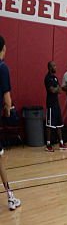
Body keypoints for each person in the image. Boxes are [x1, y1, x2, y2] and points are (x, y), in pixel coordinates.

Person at [0, 37, 18, 210]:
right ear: (3, 48)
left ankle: (11, 196)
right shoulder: (3, 67)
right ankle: (11, 198)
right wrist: (8, 109)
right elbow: (7, 97)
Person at [43, 61, 67, 153]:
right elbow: (52, 90)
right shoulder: (48, 78)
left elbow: (60, 90)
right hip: (50, 104)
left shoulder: (55, 78)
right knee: (49, 125)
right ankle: (48, 144)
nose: (56, 67)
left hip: (56, 104)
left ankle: (61, 143)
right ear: (50, 67)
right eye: (54, 66)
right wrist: (56, 89)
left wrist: (57, 89)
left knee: (59, 124)